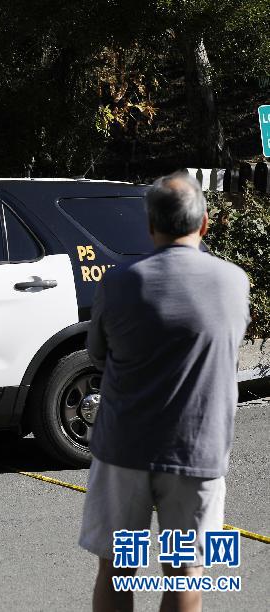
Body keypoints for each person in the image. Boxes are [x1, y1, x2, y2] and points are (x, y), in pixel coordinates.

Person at [79, 172, 250, 612]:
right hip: (197, 450)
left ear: (150, 224)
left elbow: (97, 354)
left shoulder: (119, 282)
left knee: (117, 570)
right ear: (204, 224)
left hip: (124, 449)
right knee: (185, 571)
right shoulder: (234, 282)